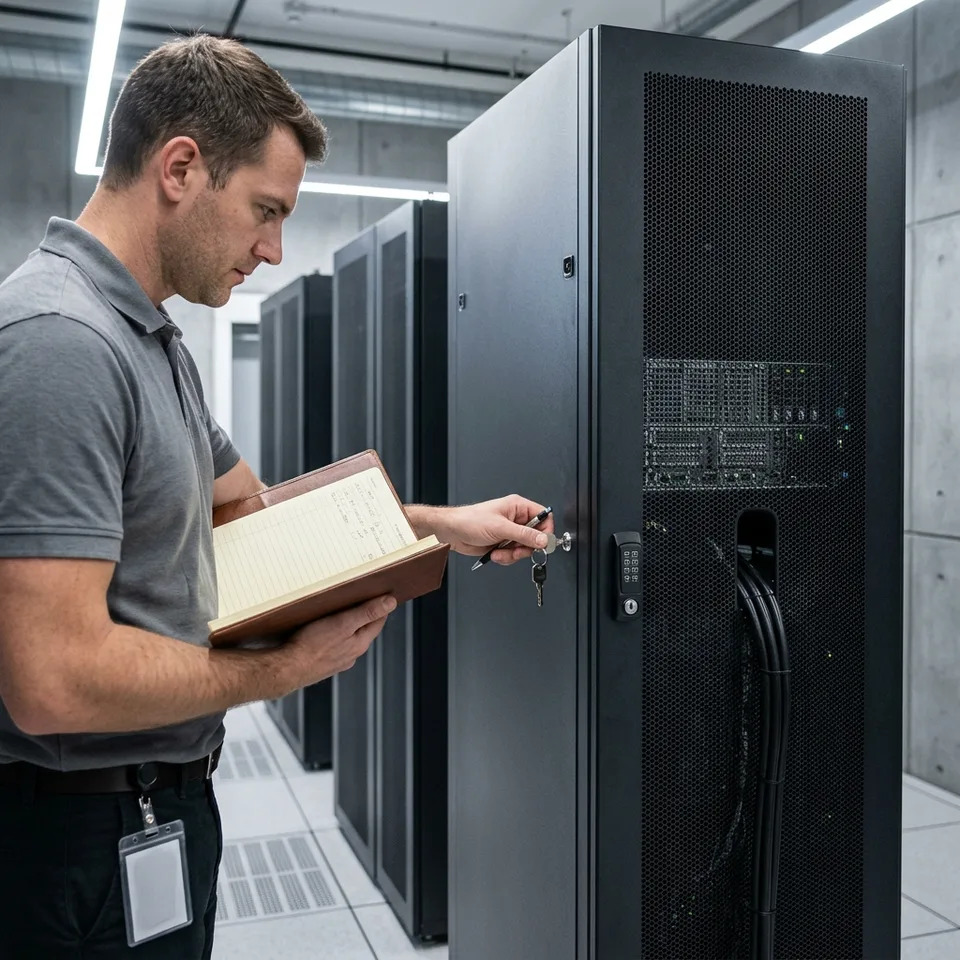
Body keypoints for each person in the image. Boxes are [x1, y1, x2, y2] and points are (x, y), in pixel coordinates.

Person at [0, 34, 553, 959]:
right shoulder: (63, 343)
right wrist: (281, 672)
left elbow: (252, 518)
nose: (273, 246)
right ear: (181, 166)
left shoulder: (150, 339)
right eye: (265, 210)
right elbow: (50, 680)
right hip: (74, 850)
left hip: (153, 804)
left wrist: (435, 526)